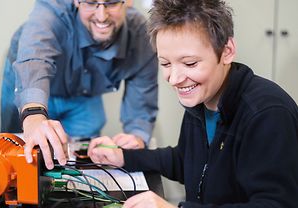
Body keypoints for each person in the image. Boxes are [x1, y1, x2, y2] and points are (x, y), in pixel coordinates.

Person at [87, 0, 298, 207]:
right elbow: (185, 160)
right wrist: (124, 157)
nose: (175, 78)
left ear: (227, 51)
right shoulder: (201, 100)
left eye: (190, 63)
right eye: (165, 64)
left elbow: (275, 203)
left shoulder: (268, 115)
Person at [3, 0, 159, 170]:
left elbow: (142, 95)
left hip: (84, 94)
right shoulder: (52, 11)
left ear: (128, 2)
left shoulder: (140, 33)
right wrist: (33, 114)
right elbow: (35, 58)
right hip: (31, 86)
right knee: (18, 154)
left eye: (111, 3)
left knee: (84, 161)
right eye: (91, 3)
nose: (101, 16)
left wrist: (137, 136)